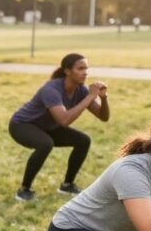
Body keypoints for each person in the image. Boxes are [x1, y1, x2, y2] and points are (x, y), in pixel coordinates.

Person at [9, 53, 109, 202]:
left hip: (47, 127)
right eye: (80, 68)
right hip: (22, 125)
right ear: (67, 71)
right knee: (45, 144)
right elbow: (64, 120)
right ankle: (24, 190)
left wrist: (103, 98)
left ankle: (67, 185)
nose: (85, 72)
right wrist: (89, 97)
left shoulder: (80, 90)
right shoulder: (51, 89)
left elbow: (103, 117)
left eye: (86, 68)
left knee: (83, 140)